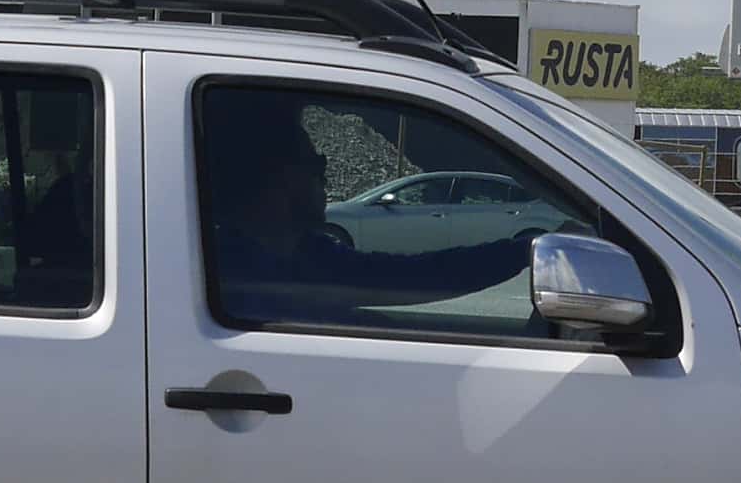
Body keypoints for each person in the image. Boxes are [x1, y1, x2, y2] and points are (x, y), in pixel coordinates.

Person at [202, 92, 548, 333]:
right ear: (278, 179)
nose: (325, 178)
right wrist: (524, 251)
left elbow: (418, 274)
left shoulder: (305, 254)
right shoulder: (239, 273)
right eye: (316, 165)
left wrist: (523, 251)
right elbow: (415, 277)